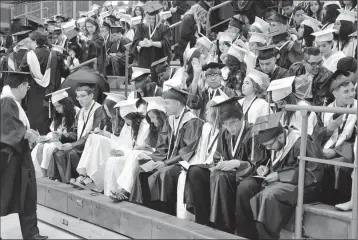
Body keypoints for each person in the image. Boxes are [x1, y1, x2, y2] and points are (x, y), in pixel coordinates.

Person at [184, 96, 267, 232]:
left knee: (222, 177)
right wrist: (219, 164)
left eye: (233, 123)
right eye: (225, 124)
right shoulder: (225, 132)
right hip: (226, 174)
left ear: (242, 118)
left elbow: (258, 166)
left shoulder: (254, 133)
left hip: (246, 176)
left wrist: (238, 163)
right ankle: (203, 221)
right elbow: (217, 157)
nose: (230, 128)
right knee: (195, 171)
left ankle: (225, 227)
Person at [235, 112, 324, 239]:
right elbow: (270, 162)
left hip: (305, 186)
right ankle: (247, 234)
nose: (269, 148)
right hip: (279, 182)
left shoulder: (302, 142)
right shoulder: (276, 144)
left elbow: (313, 173)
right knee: (245, 187)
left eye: (270, 145)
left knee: (268, 195)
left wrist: (279, 175)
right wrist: (263, 168)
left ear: (281, 137)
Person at [131, 86, 204, 216]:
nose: (165, 107)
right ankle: (144, 210)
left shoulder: (192, 121)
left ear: (177, 103)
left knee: (164, 173)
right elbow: (163, 146)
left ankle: (164, 213)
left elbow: (187, 151)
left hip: (183, 163)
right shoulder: (170, 120)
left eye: (167, 103)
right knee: (141, 168)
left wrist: (166, 163)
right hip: (168, 160)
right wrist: (153, 159)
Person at [0, 71, 48, 240]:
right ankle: (31, 232)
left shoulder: (11, 101)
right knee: (6, 194)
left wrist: (28, 133)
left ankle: (31, 233)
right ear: (20, 86)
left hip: (20, 155)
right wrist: (27, 134)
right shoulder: (7, 102)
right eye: (27, 87)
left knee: (27, 193)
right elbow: (9, 129)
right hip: (11, 157)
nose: (27, 90)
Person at [106, 97, 167, 202]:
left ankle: (125, 190)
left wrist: (150, 149)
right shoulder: (154, 128)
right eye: (150, 118)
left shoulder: (165, 128)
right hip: (151, 156)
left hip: (158, 159)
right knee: (115, 159)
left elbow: (164, 150)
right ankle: (116, 190)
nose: (151, 121)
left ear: (161, 116)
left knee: (134, 154)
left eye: (153, 117)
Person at [314, 71, 356, 206]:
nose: (351, 94)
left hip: (349, 152)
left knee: (339, 164)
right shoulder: (325, 110)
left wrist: (337, 151)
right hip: (326, 150)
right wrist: (328, 130)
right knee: (314, 161)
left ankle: (341, 201)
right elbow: (315, 135)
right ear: (335, 94)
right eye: (346, 91)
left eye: (353, 90)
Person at [48, 83, 105, 183]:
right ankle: (62, 180)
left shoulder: (99, 110)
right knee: (58, 152)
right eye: (78, 96)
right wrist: (62, 135)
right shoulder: (81, 111)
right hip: (80, 144)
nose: (80, 99)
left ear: (91, 96)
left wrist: (72, 145)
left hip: (91, 147)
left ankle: (73, 179)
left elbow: (93, 134)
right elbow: (75, 133)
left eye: (83, 96)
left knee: (71, 153)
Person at [71, 92, 125, 192]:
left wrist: (108, 135)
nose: (105, 111)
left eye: (107, 108)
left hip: (120, 148)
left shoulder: (123, 122)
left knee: (97, 139)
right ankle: (84, 174)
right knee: (92, 136)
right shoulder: (109, 121)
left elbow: (125, 142)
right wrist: (100, 132)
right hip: (110, 145)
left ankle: (89, 176)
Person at [177, 100, 219, 220]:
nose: (205, 113)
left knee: (194, 173)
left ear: (216, 112)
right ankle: (189, 217)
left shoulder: (222, 130)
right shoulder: (206, 127)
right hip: (201, 164)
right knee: (184, 174)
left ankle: (202, 218)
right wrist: (191, 164)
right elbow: (200, 150)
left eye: (208, 110)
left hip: (212, 166)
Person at [31, 88, 79, 178]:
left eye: (58, 106)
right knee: (40, 146)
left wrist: (61, 135)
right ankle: (40, 174)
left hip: (68, 142)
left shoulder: (77, 112)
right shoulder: (58, 115)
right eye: (55, 106)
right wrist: (44, 138)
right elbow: (53, 132)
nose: (56, 109)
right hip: (57, 140)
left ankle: (47, 174)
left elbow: (75, 134)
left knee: (49, 147)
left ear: (65, 104)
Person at [131, 2, 172, 68]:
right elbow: (136, 40)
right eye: (149, 18)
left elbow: (166, 43)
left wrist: (152, 43)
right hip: (144, 58)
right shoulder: (141, 27)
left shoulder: (164, 28)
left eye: (153, 19)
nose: (151, 21)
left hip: (158, 59)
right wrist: (142, 43)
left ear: (158, 18)